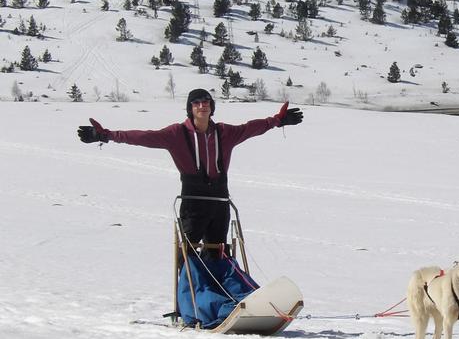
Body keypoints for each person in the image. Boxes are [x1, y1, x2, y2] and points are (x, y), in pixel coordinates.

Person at [77, 88, 303, 256]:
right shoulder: (176, 134)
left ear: (212, 107)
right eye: (197, 103)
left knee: (218, 251)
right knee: (189, 253)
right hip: (193, 203)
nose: (202, 106)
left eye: (206, 102)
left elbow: (251, 128)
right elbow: (142, 136)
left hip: (219, 201)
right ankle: (189, 302)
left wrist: (278, 121)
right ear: (190, 108)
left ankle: (216, 301)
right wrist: (105, 135)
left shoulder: (225, 132)